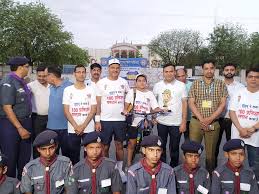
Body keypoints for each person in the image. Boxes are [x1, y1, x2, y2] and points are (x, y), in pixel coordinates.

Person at [188, 60, 228, 174]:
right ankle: (194, 174)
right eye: (206, 68)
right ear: (202, 70)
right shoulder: (195, 83)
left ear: (214, 69)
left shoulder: (221, 84)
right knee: (193, 150)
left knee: (210, 154)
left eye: (211, 68)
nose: (209, 70)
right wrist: (202, 119)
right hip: (196, 122)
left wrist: (210, 119)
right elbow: (191, 102)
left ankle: (210, 175)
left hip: (213, 122)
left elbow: (222, 104)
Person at [95, 58, 129, 182]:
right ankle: (107, 169)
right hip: (105, 120)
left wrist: (127, 109)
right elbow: (98, 103)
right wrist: (97, 120)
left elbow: (128, 99)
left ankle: (119, 170)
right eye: (112, 67)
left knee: (119, 145)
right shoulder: (101, 83)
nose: (115, 70)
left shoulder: (124, 82)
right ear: (108, 69)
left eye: (117, 68)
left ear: (120, 69)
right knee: (104, 147)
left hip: (120, 120)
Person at [0, 56, 32, 180]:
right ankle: (9, 187)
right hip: (11, 125)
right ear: (20, 67)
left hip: (25, 122)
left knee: (24, 159)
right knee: (10, 159)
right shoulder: (8, 81)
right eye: (27, 67)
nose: (28, 69)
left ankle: (22, 186)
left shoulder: (21, 81)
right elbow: (7, 107)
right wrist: (19, 128)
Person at [153, 64, 188, 167]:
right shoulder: (158, 85)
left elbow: (185, 104)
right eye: (166, 71)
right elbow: (153, 102)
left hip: (176, 123)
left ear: (174, 72)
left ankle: (174, 168)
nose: (168, 74)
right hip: (161, 122)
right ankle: (162, 167)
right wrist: (154, 116)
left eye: (171, 71)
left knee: (174, 147)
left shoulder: (181, 85)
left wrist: (183, 122)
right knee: (161, 146)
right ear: (163, 73)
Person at [123, 74, 161, 167]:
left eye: (143, 80)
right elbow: (126, 107)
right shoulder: (132, 92)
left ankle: (145, 164)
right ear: (136, 82)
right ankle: (128, 164)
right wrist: (125, 112)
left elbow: (155, 107)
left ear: (146, 82)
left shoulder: (150, 93)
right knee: (131, 143)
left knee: (146, 145)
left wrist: (159, 111)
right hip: (134, 122)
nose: (141, 82)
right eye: (139, 80)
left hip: (146, 122)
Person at [63, 64, 97, 164]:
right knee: (74, 155)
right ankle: (76, 176)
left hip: (88, 128)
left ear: (85, 74)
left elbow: (93, 109)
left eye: (83, 72)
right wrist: (76, 126)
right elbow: (66, 110)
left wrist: (83, 126)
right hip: (73, 128)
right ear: (74, 74)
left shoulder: (91, 89)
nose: (81, 74)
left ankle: (89, 175)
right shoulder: (68, 90)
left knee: (90, 155)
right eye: (79, 72)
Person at [229, 67, 259, 175]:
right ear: (246, 78)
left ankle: (254, 186)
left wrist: (253, 128)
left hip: (255, 137)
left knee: (255, 165)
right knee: (234, 162)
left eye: (256, 77)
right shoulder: (238, 93)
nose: (253, 79)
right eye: (250, 76)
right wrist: (241, 129)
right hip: (238, 134)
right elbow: (232, 112)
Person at [215, 63, 244, 165]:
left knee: (233, 147)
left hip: (233, 120)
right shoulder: (217, 84)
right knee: (215, 145)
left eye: (231, 70)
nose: (229, 72)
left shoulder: (241, 87)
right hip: (218, 119)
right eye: (227, 70)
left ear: (235, 71)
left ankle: (231, 168)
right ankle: (213, 170)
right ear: (223, 71)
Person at [46, 66, 72, 157]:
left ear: (51, 76)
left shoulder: (70, 86)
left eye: (46, 76)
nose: (45, 78)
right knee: (52, 155)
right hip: (51, 127)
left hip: (66, 128)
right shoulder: (49, 88)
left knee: (68, 154)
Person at [28, 65, 50, 159]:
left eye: (44, 76)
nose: (41, 78)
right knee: (38, 142)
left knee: (50, 141)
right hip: (37, 118)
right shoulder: (31, 86)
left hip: (51, 118)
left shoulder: (52, 85)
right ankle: (37, 163)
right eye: (39, 76)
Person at [176, 68, 193, 140]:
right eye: (178, 76)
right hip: (177, 119)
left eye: (183, 76)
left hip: (190, 119)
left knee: (188, 141)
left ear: (186, 75)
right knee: (175, 141)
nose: (181, 78)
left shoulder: (192, 85)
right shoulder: (174, 86)